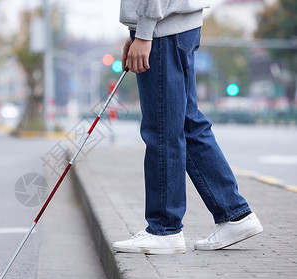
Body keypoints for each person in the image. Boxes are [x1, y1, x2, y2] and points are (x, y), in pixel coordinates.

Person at [112, 0, 263, 254]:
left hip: (163, 29)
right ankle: (233, 214)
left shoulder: (154, 30)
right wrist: (138, 33)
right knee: (186, 123)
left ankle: (164, 229)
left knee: (162, 129)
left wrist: (145, 32)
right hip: (174, 26)